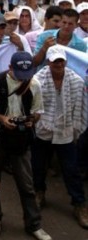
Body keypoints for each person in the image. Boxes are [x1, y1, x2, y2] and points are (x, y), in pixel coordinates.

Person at [0, 52, 52, 240]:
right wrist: (3, 119)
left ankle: (34, 224)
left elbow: (38, 112)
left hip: (21, 139)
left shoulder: (34, 84)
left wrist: (31, 121)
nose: (24, 78)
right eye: (20, 73)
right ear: (10, 68)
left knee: (27, 184)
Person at [32, 46, 88, 228]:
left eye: (61, 61)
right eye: (55, 61)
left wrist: (76, 130)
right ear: (48, 62)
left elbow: (80, 108)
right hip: (44, 129)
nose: (58, 64)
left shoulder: (76, 81)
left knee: (71, 169)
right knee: (39, 165)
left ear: (65, 62)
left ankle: (79, 204)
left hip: (66, 130)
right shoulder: (38, 81)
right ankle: (39, 193)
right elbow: (35, 108)